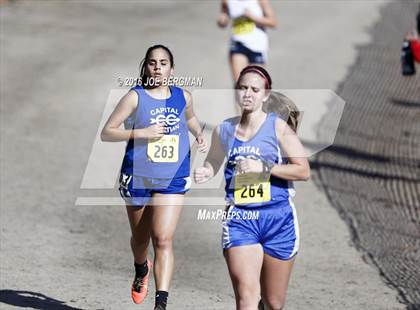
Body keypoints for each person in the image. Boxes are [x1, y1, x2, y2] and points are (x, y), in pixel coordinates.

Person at [194, 65, 310, 310]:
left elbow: (303, 170)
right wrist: (207, 170)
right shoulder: (224, 129)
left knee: (273, 302)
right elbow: (214, 159)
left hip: (278, 219)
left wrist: (264, 168)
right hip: (241, 219)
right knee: (246, 297)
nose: (248, 94)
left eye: (254, 89)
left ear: (265, 95)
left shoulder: (279, 128)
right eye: (243, 88)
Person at [101, 44, 207, 310]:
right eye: (152, 62)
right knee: (141, 240)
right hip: (138, 176)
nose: (157, 67)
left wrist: (199, 134)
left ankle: (161, 303)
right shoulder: (135, 97)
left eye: (163, 62)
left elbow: (191, 118)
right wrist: (142, 132)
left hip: (173, 176)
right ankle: (141, 268)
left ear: (172, 69)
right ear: (146, 67)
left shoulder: (183, 96)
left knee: (163, 239)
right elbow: (108, 132)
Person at [217, 0, 277, 83]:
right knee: (240, 83)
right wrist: (222, 20)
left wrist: (252, 17)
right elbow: (223, 18)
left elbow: (273, 22)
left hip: (257, 46)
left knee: (255, 84)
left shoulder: (261, 1)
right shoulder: (227, 1)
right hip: (238, 43)